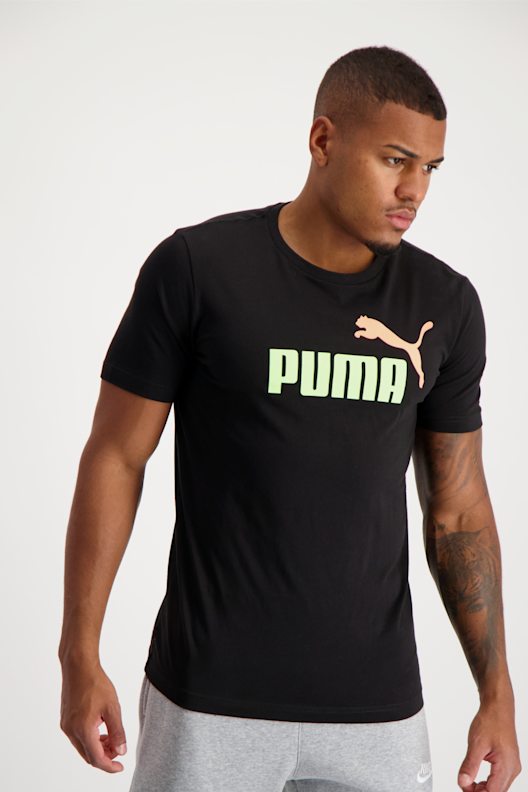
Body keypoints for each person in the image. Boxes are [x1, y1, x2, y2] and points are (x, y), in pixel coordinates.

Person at [58, 45, 522, 792]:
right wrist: (78, 654)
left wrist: (496, 694)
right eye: (395, 160)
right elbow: (116, 456)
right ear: (323, 140)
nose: (414, 189)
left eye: (430, 168)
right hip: (209, 699)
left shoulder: (445, 304)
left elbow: (458, 508)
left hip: (378, 711)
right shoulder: (199, 268)